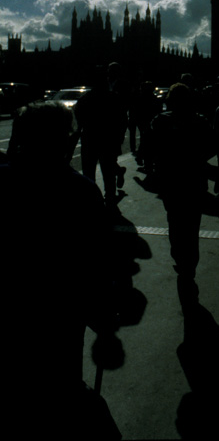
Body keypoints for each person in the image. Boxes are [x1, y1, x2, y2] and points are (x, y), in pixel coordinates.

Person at [6, 101, 122, 439]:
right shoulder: (81, 192)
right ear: (65, 141)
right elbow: (97, 265)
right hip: (59, 316)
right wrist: (103, 317)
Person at [151, 83, 215, 309]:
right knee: (192, 227)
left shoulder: (160, 122)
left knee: (175, 224)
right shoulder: (200, 121)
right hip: (194, 182)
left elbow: (152, 149)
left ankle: (180, 260)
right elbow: (211, 147)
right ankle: (190, 266)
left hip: (170, 183)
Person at [74, 66, 128, 209]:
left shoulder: (85, 99)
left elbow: (78, 121)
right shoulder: (114, 99)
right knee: (108, 171)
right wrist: (120, 137)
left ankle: (90, 198)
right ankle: (109, 197)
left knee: (88, 171)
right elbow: (122, 120)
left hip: (90, 139)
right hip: (108, 140)